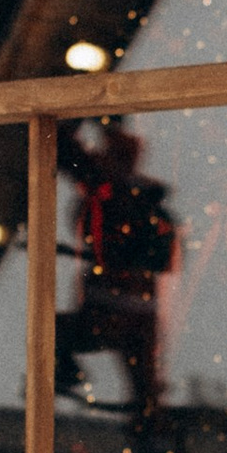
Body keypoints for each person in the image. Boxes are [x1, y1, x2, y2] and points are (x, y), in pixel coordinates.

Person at [56, 120, 177, 423]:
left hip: (111, 305)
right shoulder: (139, 195)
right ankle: (149, 418)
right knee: (143, 380)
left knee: (51, 333)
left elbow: (62, 149)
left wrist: (77, 119)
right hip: (139, 308)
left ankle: (65, 371)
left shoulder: (107, 184)